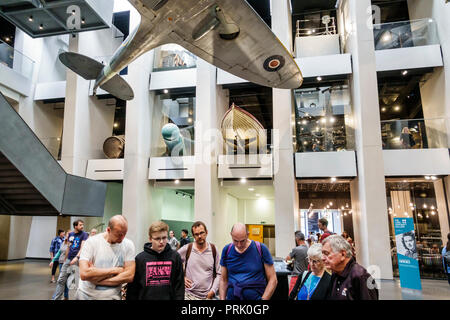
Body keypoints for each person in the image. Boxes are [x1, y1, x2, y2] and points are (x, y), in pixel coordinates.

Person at [77, 216, 135, 300]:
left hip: (112, 297)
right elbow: (84, 273)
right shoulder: (91, 242)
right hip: (86, 295)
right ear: (108, 230)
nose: (122, 238)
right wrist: (115, 270)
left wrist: (96, 278)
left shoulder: (128, 245)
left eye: (124, 234)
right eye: (118, 234)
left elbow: (129, 276)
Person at [127, 221, 184, 300]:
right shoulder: (140, 259)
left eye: (164, 238)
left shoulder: (175, 257)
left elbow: (179, 286)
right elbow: (133, 288)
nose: (161, 242)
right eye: (157, 238)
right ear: (150, 239)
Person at [219, 223, 277, 300]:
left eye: (242, 241)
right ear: (231, 235)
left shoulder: (261, 248)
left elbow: (273, 279)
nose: (239, 245)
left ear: (248, 234)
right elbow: (223, 280)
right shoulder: (227, 250)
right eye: (235, 241)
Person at [322, 235, 378, 300]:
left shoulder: (360, 276)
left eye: (326, 253)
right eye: (322, 254)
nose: (322, 258)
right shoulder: (335, 274)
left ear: (343, 254)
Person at [178, 221, 221, 300]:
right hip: (188, 295)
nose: (200, 236)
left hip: (208, 296)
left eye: (202, 233)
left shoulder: (214, 249)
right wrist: (181, 277)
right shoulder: (187, 248)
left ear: (206, 232)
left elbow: (219, 273)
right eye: (196, 234)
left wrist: (213, 291)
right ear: (193, 236)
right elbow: (173, 262)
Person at [52, 219, 89, 300]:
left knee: (75, 283)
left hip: (78, 261)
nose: (82, 226)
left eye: (83, 225)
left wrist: (77, 257)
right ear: (75, 226)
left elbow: (82, 247)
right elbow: (68, 247)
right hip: (69, 259)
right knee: (61, 280)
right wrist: (65, 259)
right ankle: (56, 298)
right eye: (80, 225)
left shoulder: (84, 234)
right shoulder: (71, 234)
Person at [50, 230, 71, 299]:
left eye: (68, 234)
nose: (66, 235)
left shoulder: (71, 244)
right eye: (66, 234)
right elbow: (59, 252)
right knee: (63, 282)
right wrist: (53, 260)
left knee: (62, 281)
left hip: (67, 265)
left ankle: (56, 297)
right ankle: (65, 296)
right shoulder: (63, 242)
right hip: (61, 263)